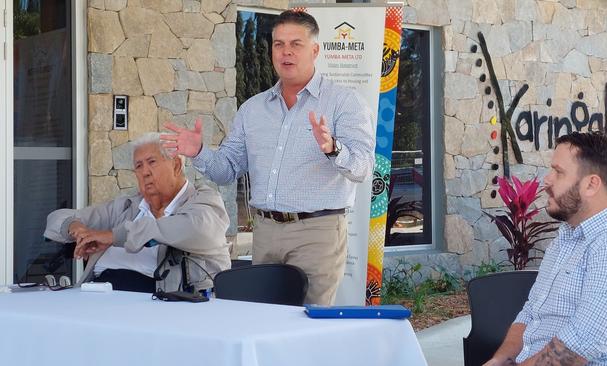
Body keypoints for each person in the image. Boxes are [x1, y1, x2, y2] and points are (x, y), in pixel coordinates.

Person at [161, 10, 375, 305]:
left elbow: (363, 167)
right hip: (265, 232)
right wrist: (199, 152)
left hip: (317, 234)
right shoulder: (253, 109)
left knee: (304, 327)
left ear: (315, 50)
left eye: (295, 44)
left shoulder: (344, 102)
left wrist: (333, 148)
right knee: (263, 319)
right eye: (278, 44)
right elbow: (227, 170)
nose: (286, 52)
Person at [485, 131, 607, 366]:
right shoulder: (566, 237)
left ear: (591, 184)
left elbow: (583, 343)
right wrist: (499, 360)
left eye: (558, 172)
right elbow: (531, 312)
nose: (547, 179)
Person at [44, 133, 231, 293]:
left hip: (163, 309)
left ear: (175, 165)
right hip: (95, 300)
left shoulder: (204, 201)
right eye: (139, 166)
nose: (145, 172)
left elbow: (197, 230)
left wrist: (113, 236)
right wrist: (75, 228)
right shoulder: (127, 207)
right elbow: (56, 218)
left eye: (152, 162)